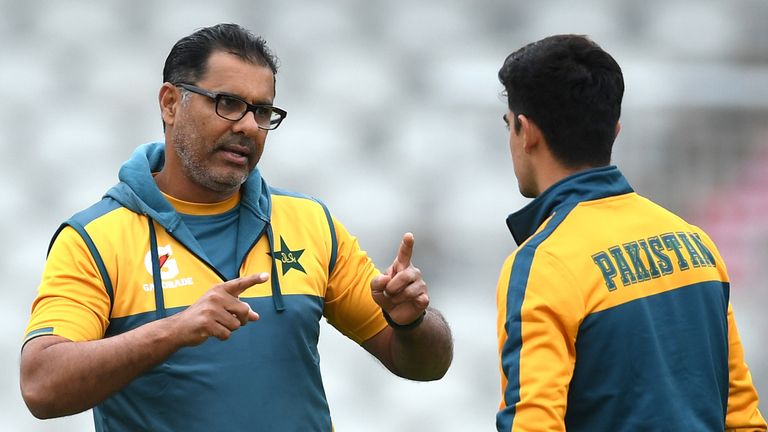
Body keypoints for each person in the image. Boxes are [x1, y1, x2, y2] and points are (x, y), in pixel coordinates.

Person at [20, 23, 453, 431]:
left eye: (262, 111)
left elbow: (426, 366)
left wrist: (411, 322)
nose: (248, 126)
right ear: (170, 104)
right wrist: (175, 330)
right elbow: (41, 386)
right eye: (227, 103)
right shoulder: (95, 238)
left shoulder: (309, 222)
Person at [495, 34, 766, 431]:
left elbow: (532, 424)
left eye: (508, 126)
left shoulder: (543, 265)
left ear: (526, 131)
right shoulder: (695, 244)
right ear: (615, 129)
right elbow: (742, 418)